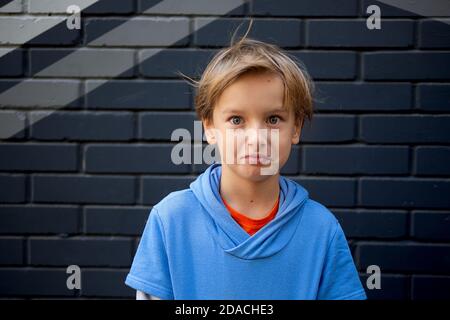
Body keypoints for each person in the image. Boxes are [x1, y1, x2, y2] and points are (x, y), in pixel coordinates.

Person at [125, 33, 367, 300]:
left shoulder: (321, 229)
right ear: (210, 128)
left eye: (273, 119)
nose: (256, 138)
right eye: (237, 120)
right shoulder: (171, 219)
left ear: (296, 127)